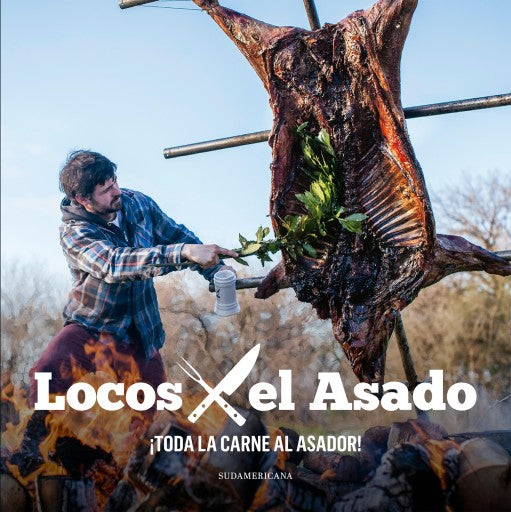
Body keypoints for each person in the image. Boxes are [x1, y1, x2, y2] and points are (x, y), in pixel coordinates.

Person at [28, 150, 238, 405]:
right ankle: (35, 442)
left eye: (114, 181)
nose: (116, 191)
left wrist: (216, 269)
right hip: (92, 328)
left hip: (142, 332)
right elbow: (115, 264)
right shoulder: (75, 233)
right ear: (82, 198)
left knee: (155, 414)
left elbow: (178, 238)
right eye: (105, 190)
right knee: (47, 375)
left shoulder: (138, 204)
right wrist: (183, 253)